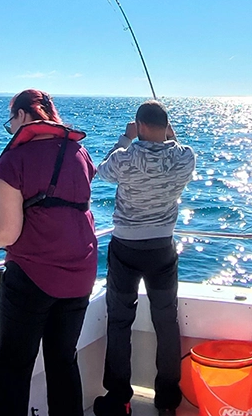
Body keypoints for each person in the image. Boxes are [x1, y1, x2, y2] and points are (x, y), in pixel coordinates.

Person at [0, 89, 98, 416]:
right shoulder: (79, 151)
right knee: (64, 361)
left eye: (11, 122)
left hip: (32, 278)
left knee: (13, 370)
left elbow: (6, 232)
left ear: (22, 115)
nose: (11, 129)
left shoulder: (14, 160)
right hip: (81, 274)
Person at [92, 100, 196, 416]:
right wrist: (170, 138)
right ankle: (166, 402)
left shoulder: (125, 158)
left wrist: (126, 138)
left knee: (120, 322)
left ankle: (120, 398)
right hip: (162, 249)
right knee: (166, 323)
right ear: (165, 127)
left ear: (140, 126)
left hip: (125, 249)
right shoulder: (184, 157)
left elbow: (101, 170)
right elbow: (179, 152)